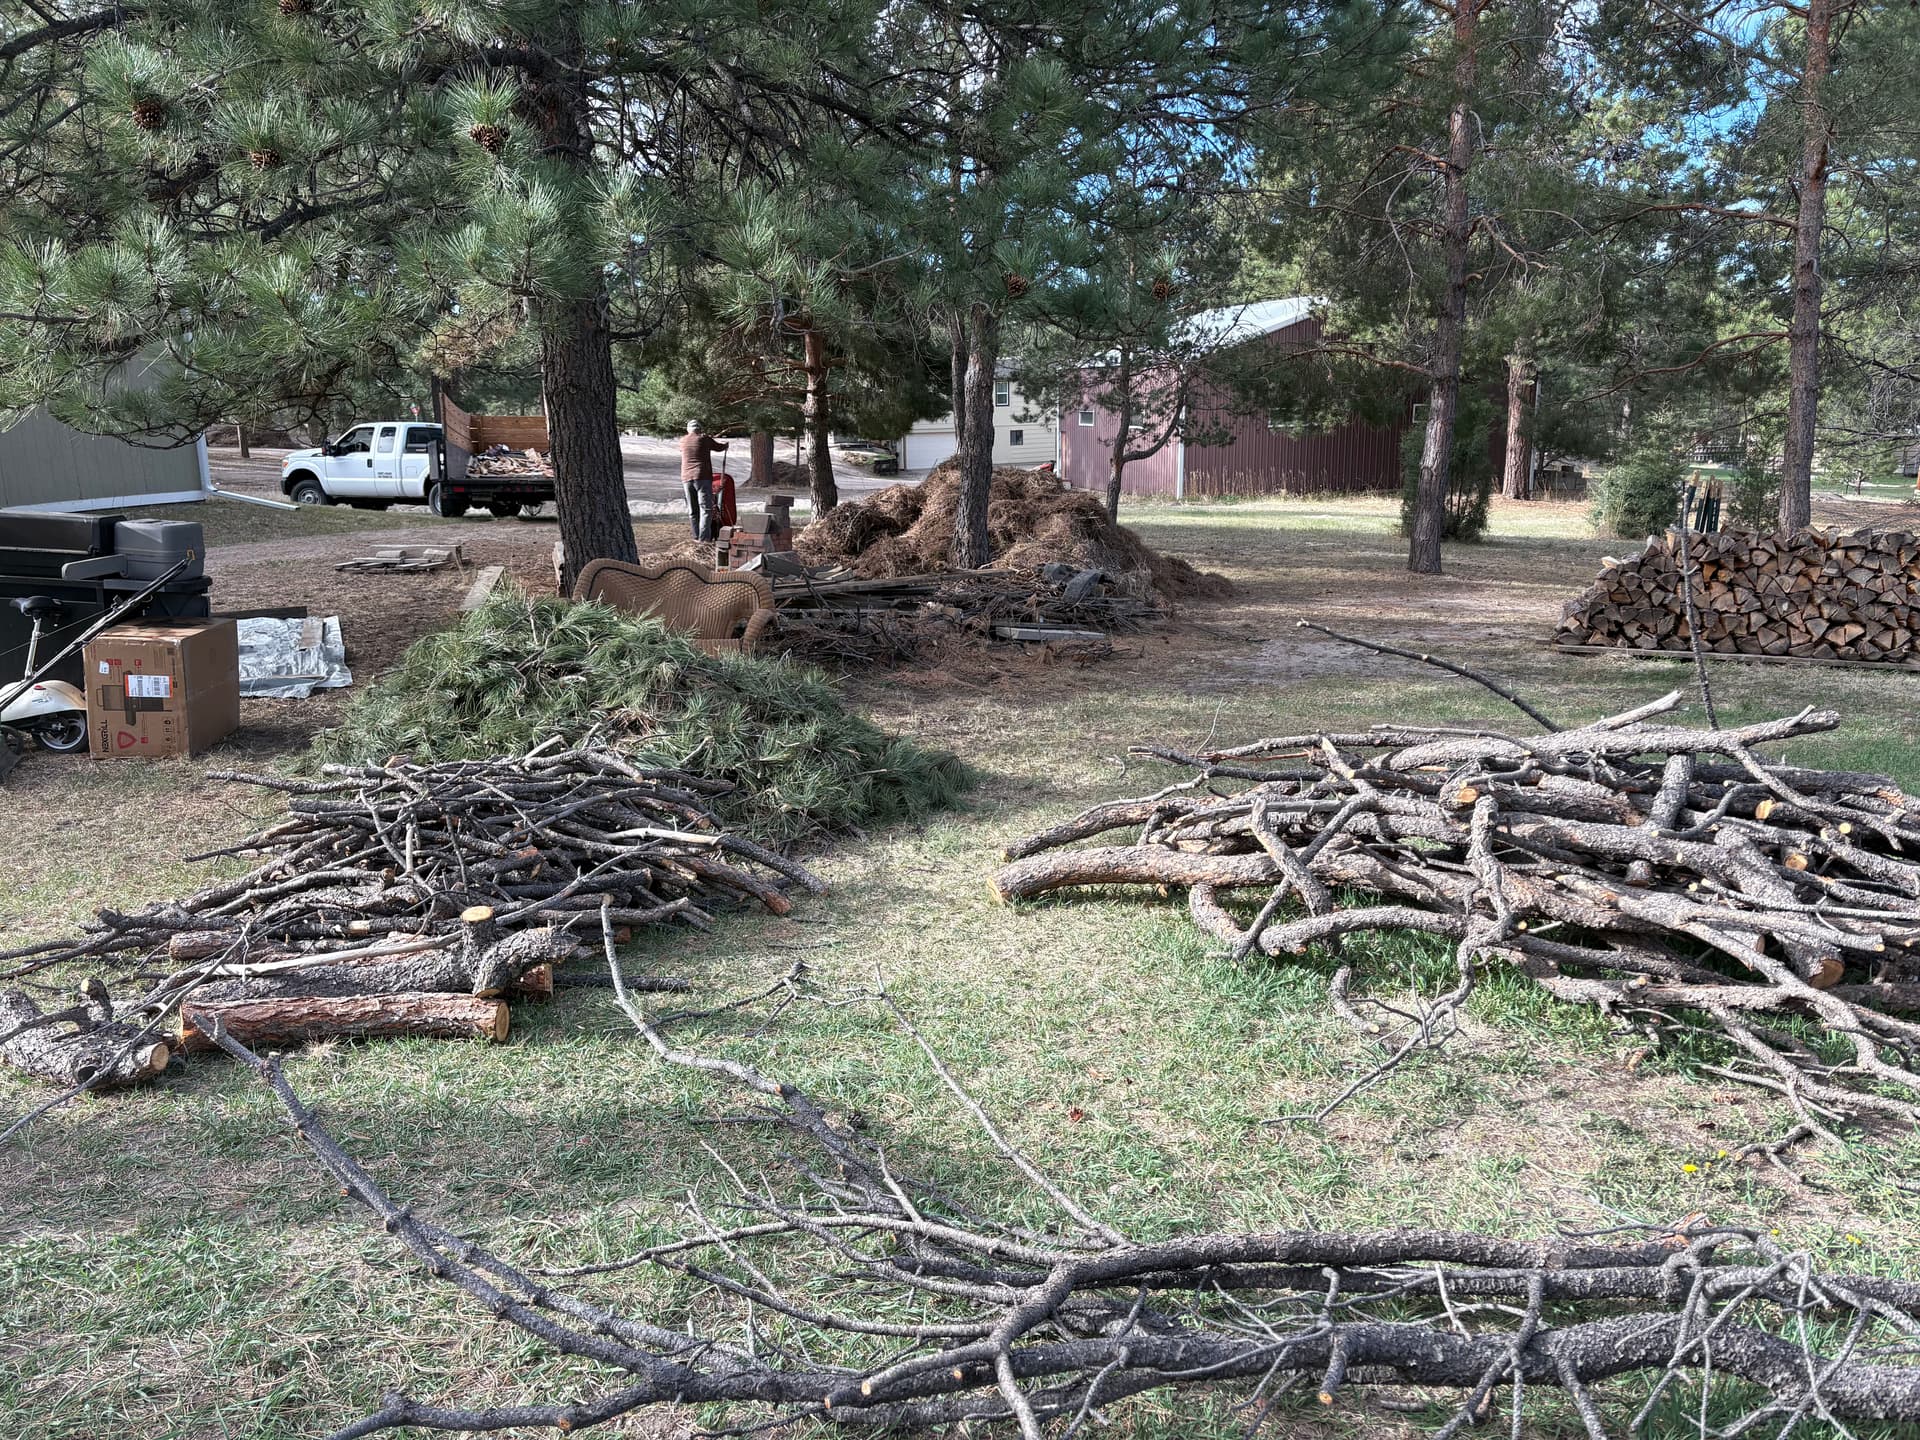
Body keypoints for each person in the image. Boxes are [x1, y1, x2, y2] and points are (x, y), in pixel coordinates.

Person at [679, 420, 728, 541]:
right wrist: (726, 445)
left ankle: (696, 538)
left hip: (686, 478)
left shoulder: (682, 440)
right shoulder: (704, 439)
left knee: (693, 510)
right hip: (702, 477)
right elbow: (718, 447)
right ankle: (704, 540)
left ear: (688, 430)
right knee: (705, 509)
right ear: (699, 429)